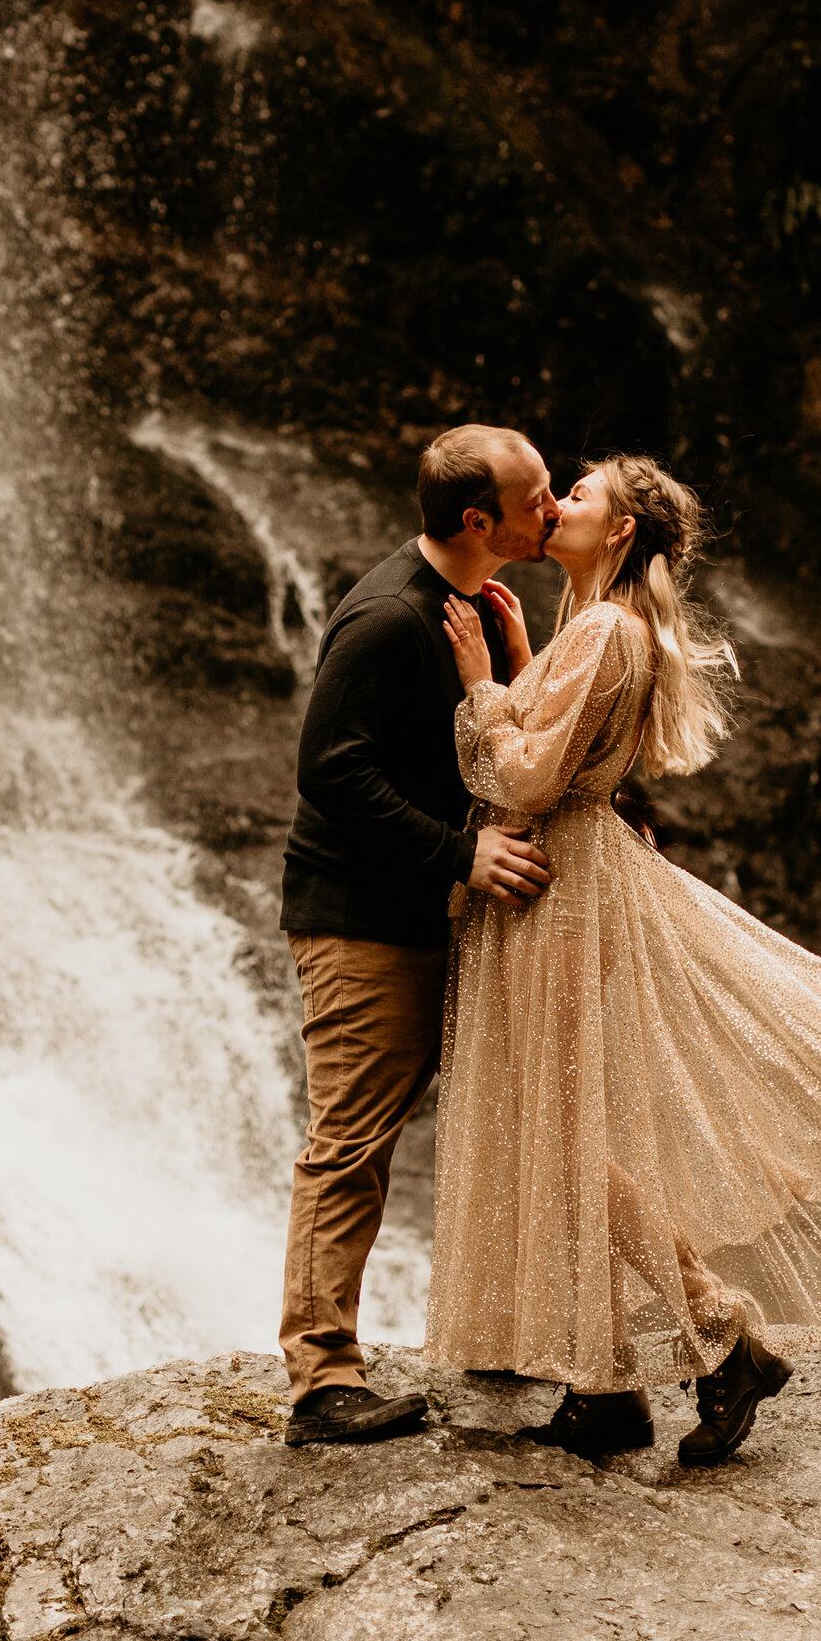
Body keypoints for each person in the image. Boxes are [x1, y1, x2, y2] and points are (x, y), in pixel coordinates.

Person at [427, 454, 821, 1464]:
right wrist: (519, 653)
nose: (556, 506)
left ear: (622, 531)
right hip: (572, 887)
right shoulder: (599, 627)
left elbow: (535, 777)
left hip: (558, 891)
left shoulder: (604, 632)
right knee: (569, 1132)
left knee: (571, 1143)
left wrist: (482, 686)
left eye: (579, 496)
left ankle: (720, 1342)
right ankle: (607, 1383)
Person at [276, 422, 559, 1447]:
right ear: (478, 520)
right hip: (362, 921)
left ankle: (499, 1330)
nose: (554, 505)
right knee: (350, 1143)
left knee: (490, 1122)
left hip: (428, 916)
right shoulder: (388, 619)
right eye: (535, 496)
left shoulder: (471, 602)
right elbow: (331, 774)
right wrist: (457, 856)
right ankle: (320, 1381)